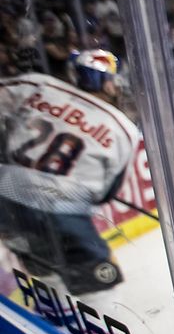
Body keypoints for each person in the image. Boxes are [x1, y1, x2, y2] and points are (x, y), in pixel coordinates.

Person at [0, 50, 140, 294]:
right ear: (105, 83)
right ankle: (91, 330)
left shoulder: (38, 84)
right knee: (99, 289)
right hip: (62, 215)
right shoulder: (122, 127)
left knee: (43, 273)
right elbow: (105, 193)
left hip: (5, 198)